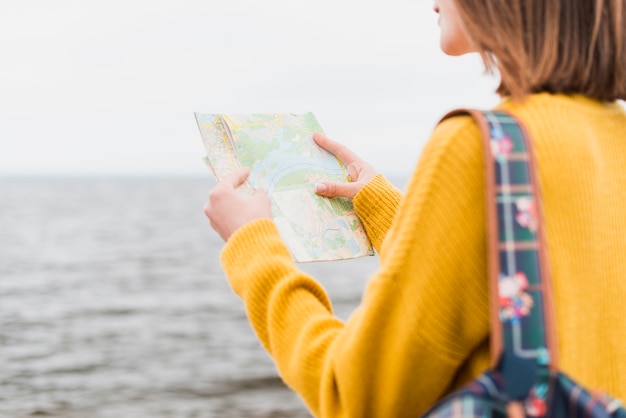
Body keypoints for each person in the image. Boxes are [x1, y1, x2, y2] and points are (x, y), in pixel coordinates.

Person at [204, 0, 626, 416]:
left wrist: (254, 248)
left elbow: (354, 397)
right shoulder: (613, 134)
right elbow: (503, 271)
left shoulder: (478, 148)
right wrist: (386, 209)